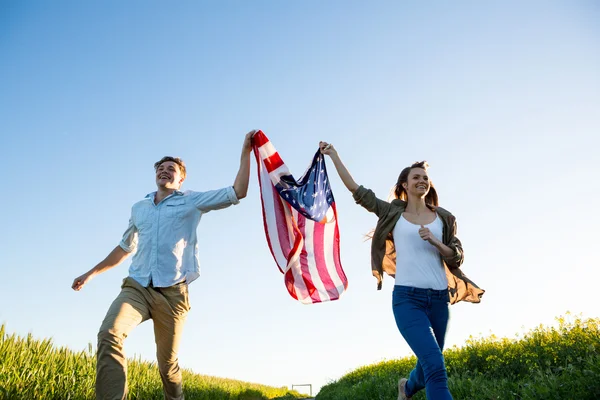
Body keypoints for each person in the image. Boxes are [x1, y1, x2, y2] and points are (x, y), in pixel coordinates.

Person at [71, 130, 257, 400]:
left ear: (181, 179)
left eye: (172, 169)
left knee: (167, 366)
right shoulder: (139, 208)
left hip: (172, 294)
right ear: (155, 174)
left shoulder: (191, 201)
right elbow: (124, 248)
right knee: (109, 334)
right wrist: (90, 273)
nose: (165, 171)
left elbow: (238, 191)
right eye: (161, 168)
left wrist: (245, 151)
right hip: (136, 287)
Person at [319, 141, 484, 400]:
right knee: (437, 368)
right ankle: (411, 388)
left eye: (425, 178)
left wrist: (436, 242)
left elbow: (457, 257)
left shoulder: (445, 218)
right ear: (404, 185)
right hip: (408, 300)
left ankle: (406, 388)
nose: (422, 180)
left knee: (430, 362)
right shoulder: (392, 212)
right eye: (416, 177)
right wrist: (334, 156)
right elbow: (357, 190)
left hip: (439, 300)